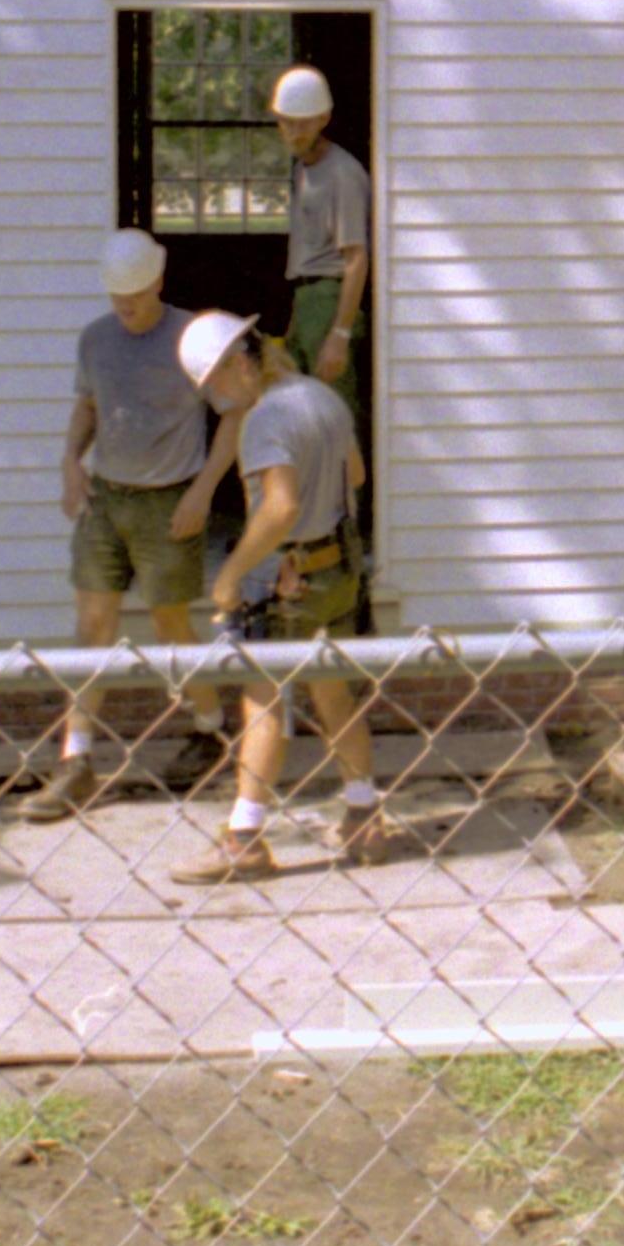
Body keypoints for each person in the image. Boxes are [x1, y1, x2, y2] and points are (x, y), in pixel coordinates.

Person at [16, 230, 239, 822]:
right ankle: (76, 760)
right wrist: (69, 462)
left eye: (135, 298)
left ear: (157, 283)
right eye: (117, 299)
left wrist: (204, 489)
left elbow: (235, 412)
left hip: (169, 502)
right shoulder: (96, 340)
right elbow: (87, 405)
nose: (126, 309)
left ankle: (209, 730)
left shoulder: (189, 338)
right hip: (106, 499)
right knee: (92, 624)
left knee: (171, 622)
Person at [167, 308, 393, 882]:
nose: (214, 397)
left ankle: (244, 838)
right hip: (340, 569)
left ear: (235, 365)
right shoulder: (321, 397)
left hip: (290, 578)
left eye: (212, 384)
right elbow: (358, 475)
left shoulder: (265, 420)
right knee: (333, 691)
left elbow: (281, 507)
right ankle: (365, 816)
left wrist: (231, 573)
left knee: (263, 698)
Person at [270, 65, 370, 410]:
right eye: (287, 122)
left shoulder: (342, 173)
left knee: (334, 413)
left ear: (324, 118)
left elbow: (356, 258)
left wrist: (339, 335)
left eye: (304, 122)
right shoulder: (301, 169)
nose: (294, 132)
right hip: (305, 299)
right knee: (304, 412)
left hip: (329, 299)